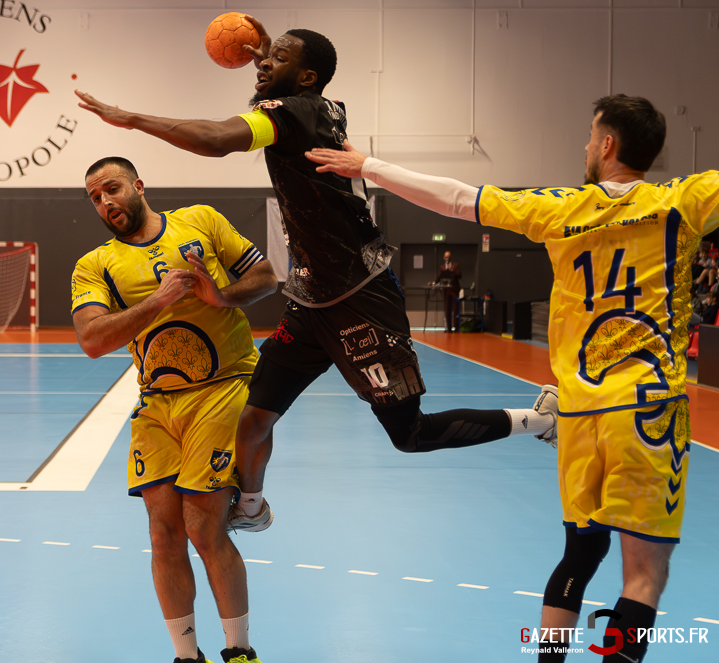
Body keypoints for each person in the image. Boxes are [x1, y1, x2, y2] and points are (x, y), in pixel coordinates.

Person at [76, 18, 558, 534]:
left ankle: (542, 419)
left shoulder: (292, 113)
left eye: (278, 59)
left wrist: (129, 118)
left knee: (410, 435)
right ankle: (252, 507)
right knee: (254, 417)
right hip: (310, 300)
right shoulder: (316, 107)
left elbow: (217, 138)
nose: (264, 63)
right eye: (267, 57)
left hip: (360, 298)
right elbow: (286, 86)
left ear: (306, 77)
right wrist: (270, 55)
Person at [307, 94, 719, 663]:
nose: (584, 145)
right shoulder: (685, 200)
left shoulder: (562, 207)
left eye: (589, 135)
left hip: (578, 412)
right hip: (648, 410)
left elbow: (456, 198)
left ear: (607, 144)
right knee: (644, 574)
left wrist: (367, 166)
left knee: (580, 554)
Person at [72, 157, 276, 663]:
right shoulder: (94, 264)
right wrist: (158, 301)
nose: (105, 202)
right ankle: (187, 656)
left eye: (112, 189)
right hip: (157, 403)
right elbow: (92, 340)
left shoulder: (200, 220)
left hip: (223, 385)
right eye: (95, 197)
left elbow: (267, 277)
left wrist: (221, 296)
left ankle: (240, 652)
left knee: (203, 527)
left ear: (138, 186)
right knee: (163, 536)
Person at [431, 250, 462, 332]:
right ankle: (448, 328)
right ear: (443, 258)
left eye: (448, 257)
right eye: (445, 257)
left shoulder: (456, 265)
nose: (447, 258)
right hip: (446, 291)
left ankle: (456, 327)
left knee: (455, 309)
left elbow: (459, 275)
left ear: (451, 257)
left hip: (454, 290)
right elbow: (438, 277)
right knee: (447, 309)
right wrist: (433, 283)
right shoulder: (442, 267)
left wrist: (451, 272)